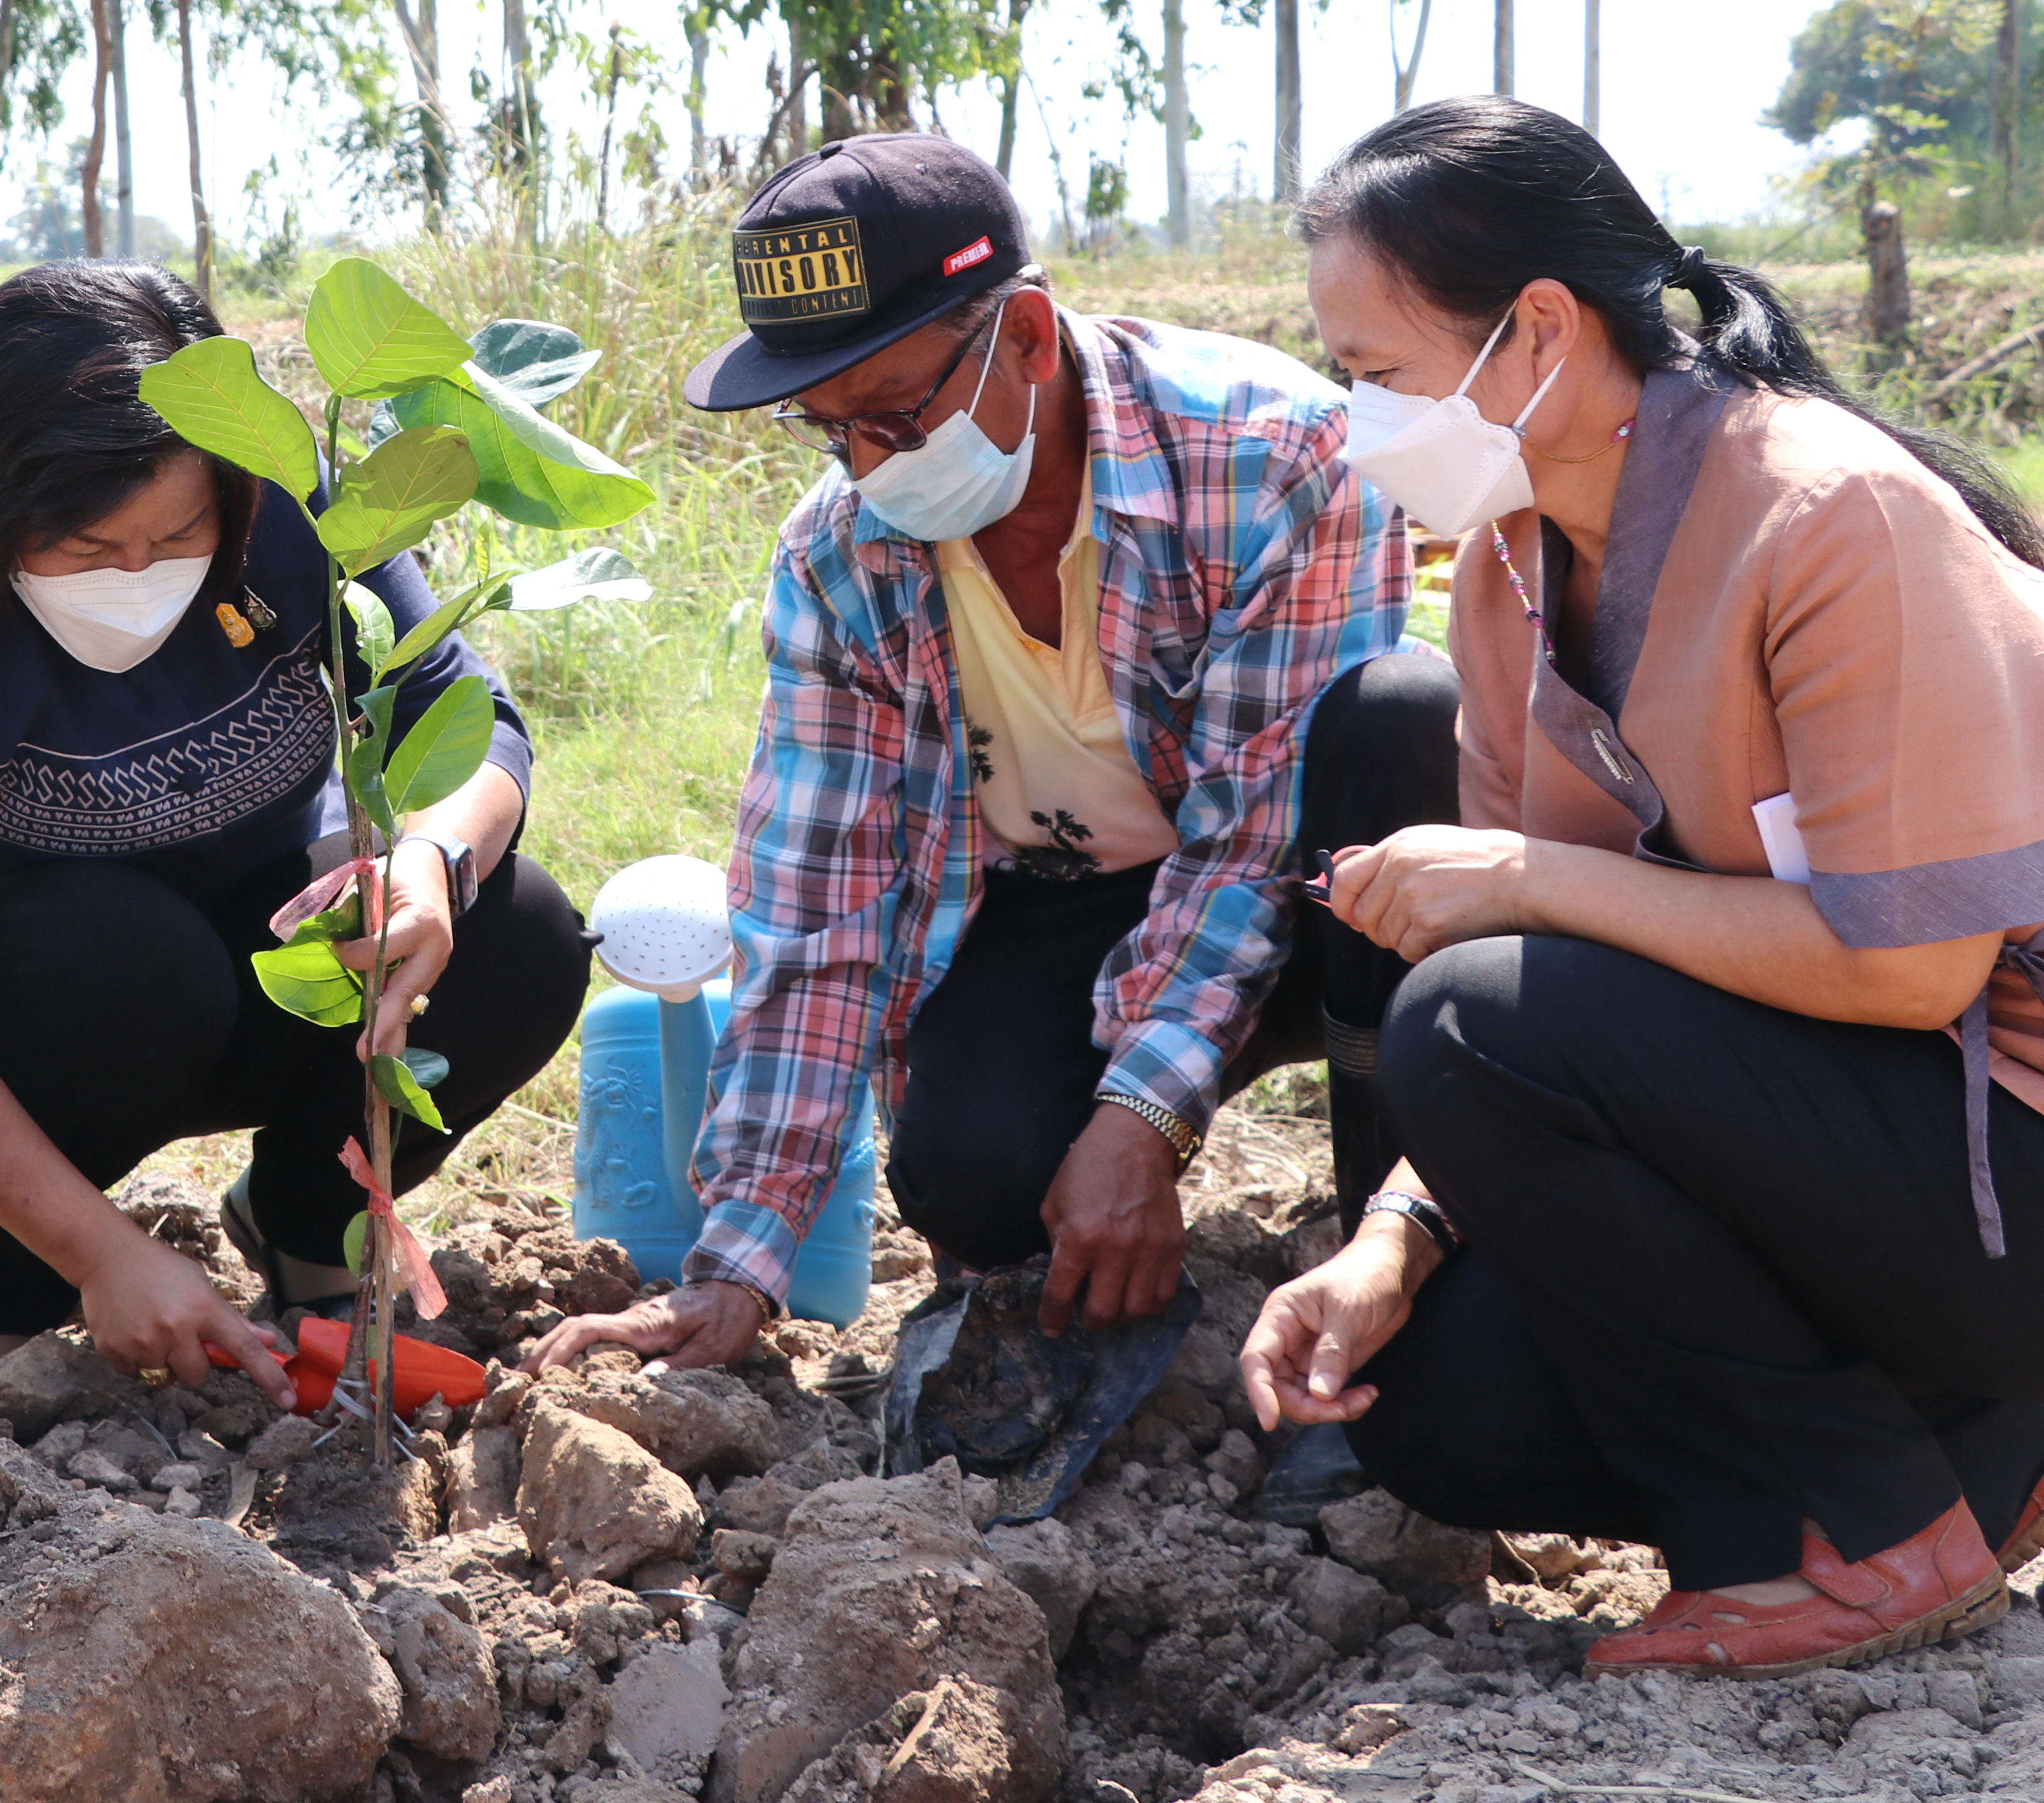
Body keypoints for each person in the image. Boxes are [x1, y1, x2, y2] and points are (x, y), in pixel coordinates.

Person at [1240, 96, 2044, 1676]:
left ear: (1535, 332)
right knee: (1435, 1414)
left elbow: (1912, 977)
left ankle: (1852, 1536)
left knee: (1471, 1013)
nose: (1360, 422)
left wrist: (1530, 879)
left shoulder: (1830, 516)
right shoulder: (1509, 569)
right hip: (1864, 1146)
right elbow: (1593, 991)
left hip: (2000, 1137)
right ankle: (1984, 1449)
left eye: (1377, 375)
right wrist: (1387, 1244)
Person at [534, 134, 1433, 1402]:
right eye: (829, 428)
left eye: (896, 414)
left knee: (1403, 720)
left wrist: (1141, 1119)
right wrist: (737, 1261)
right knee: (974, 1172)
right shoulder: (842, 555)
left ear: (1021, 335)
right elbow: (816, 899)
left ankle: (1388, 1258)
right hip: (1079, 891)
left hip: (1317, 879)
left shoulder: (1273, 455)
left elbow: (1247, 842)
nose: (868, 465)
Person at [0, 263, 592, 1404]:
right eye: (85, 550)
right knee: (118, 951)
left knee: (517, 923)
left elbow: (464, 713)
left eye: (177, 536)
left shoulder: (292, 512)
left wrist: (429, 860)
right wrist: (105, 1256)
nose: (138, 575)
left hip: (289, 956)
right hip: (78, 1021)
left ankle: (310, 1230)